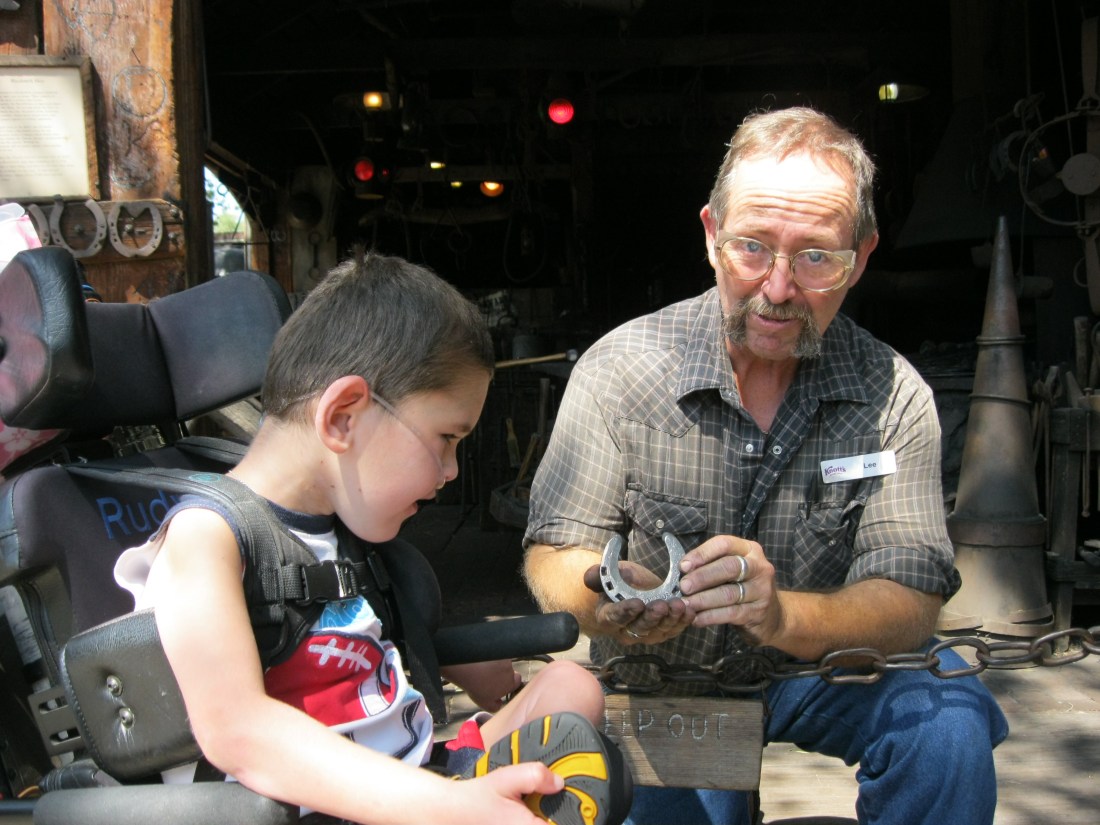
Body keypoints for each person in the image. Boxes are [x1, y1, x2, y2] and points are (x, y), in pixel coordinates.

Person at [522, 107, 1009, 825]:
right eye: (753, 247)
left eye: (816, 257)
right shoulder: (621, 371)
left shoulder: (893, 393)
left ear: (863, 255)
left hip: (824, 668)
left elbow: (909, 600)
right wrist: (610, 604)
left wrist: (782, 614)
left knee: (948, 724)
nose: (778, 289)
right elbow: (553, 552)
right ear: (712, 236)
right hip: (669, 680)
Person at [113, 250, 631, 825]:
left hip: (420, 777)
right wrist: (449, 809)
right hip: (319, 808)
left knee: (568, 687)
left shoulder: (347, 535)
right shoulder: (207, 541)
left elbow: (378, 638)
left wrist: (466, 670)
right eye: (445, 438)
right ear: (342, 416)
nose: (452, 469)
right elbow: (239, 732)